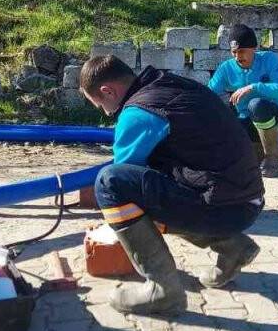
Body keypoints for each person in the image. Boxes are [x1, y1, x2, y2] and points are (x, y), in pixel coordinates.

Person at [79, 55, 265, 315]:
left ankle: (162, 291)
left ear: (107, 90)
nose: (105, 112)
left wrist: (119, 228)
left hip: (224, 205)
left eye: (100, 104)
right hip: (246, 200)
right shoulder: (168, 85)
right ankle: (233, 247)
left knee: (110, 184)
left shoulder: (139, 113)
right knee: (152, 184)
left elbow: (123, 179)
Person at [208, 24, 278, 176]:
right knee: (218, 115)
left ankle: (272, 158)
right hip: (245, 119)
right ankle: (256, 155)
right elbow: (208, 94)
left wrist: (254, 87)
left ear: (254, 48)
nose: (237, 57)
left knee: (256, 104)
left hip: (277, 116)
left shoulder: (269, 60)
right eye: (234, 52)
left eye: (241, 51)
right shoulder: (226, 68)